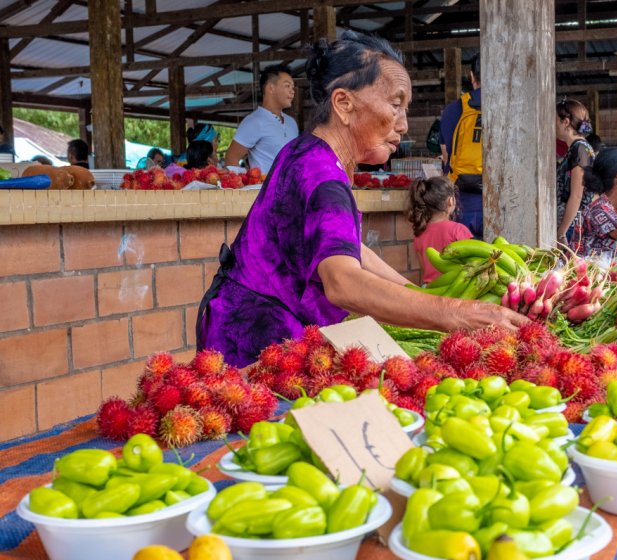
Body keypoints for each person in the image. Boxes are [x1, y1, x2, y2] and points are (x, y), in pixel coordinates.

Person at [196, 31, 528, 367]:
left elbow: (346, 247)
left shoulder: (306, 152)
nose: (403, 124)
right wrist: (456, 314)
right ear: (343, 104)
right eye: (395, 104)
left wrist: (420, 296)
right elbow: (343, 282)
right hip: (255, 341)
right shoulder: (322, 176)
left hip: (250, 326)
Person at [439, 54, 484, 239]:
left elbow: (445, 156)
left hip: (462, 202)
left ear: (472, 76)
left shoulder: (453, 110)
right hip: (502, 199)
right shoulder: (510, 107)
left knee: (463, 262)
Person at [225, 65, 299, 174]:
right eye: (287, 86)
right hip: (266, 190)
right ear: (271, 88)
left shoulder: (292, 123)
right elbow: (231, 158)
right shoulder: (254, 122)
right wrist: (248, 186)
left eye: (292, 87)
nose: (292, 91)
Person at [408, 176, 473, 285]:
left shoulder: (419, 235)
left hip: (430, 290)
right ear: (451, 201)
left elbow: (424, 269)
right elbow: (472, 265)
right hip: (455, 291)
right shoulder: (459, 230)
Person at [555, 98, 595, 253]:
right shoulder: (578, 148)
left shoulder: (580, 149)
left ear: (565, 122)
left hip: (573, 225)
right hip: (572, 223)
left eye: (555, 120)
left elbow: (577, 195)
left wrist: (562, 231)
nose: (553, 125)